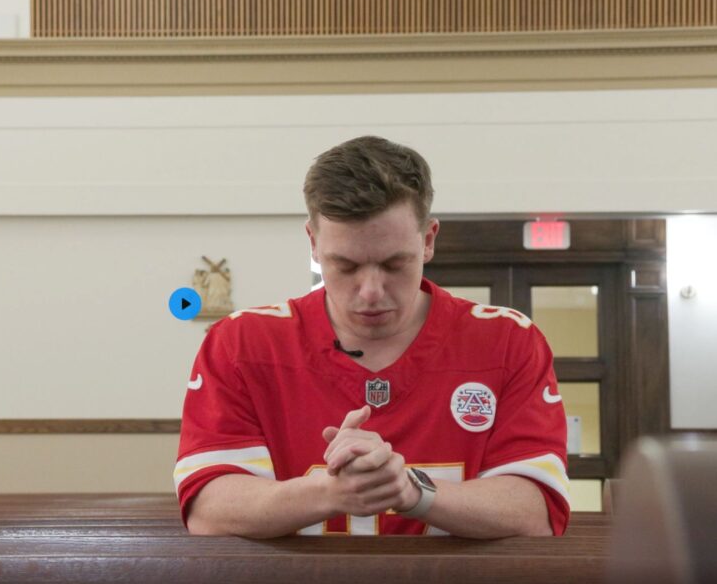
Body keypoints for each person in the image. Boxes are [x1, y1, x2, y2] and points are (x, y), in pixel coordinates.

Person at [174, 136, 569, 538]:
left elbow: (534, 512)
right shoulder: (242, 344)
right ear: (313, 242)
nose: (371, 292)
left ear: (428, 240)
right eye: (345, 266)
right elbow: (209, 509)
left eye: (395, 263)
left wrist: (414, 492)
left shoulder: (507, 341)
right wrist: (330, 493)